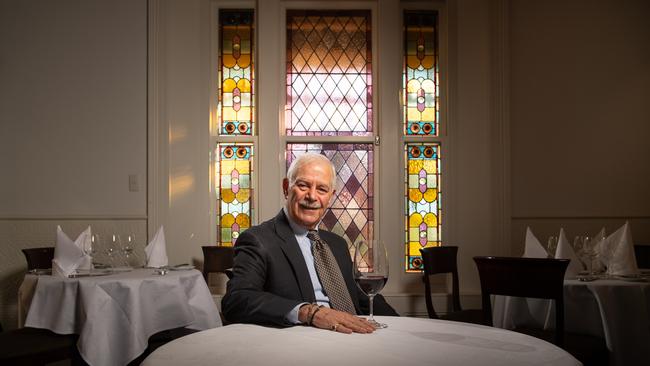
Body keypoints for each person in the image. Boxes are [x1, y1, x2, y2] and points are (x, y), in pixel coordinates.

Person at [222, 153, 398, 333]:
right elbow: (236, 300)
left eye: (322, 189)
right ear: (286, 188)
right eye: (303, 185)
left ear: (330, 196)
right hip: (302, 345)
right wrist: (310, 312)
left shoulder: (337, 244)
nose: (312, 196)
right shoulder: (257, 239)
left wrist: (401, 327)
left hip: (355, 338)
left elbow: (363, 296)